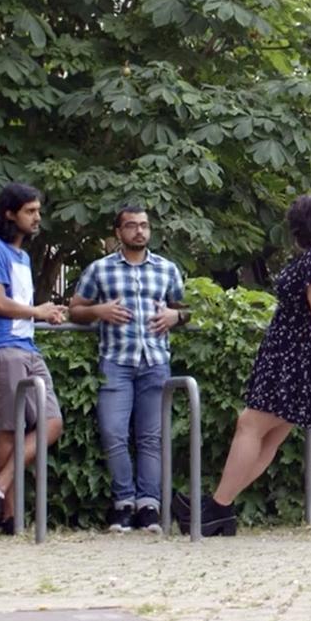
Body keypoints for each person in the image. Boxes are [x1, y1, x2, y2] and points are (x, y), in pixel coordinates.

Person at [173, 192, 311, 536]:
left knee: (250, 425)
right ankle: (219, 508)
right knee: (268, 435)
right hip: (294, 355)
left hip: (296, 357)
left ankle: (217, 508)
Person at [68, 205, 188, 533]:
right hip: (116, 361)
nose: (139, 231)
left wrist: (177, 317)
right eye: (132, 226)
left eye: (144, 225)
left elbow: (184, 310)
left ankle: (149, 505)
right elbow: (74, 310)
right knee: (113, 433)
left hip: (155, 362)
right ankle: (123, 503)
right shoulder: (100, 270)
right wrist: (99, 310)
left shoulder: (167, 269)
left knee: (151, 437)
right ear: (118, 232)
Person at [0, 182, 67, 534]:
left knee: (51, 423)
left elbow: (22, 307)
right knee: (9, 430)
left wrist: (45, 313)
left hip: (26, 348)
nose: (37, 218)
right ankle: (7, 517)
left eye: (38, 211)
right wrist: (37, 312)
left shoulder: (22, 257)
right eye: (30, 211)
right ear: (10, 214)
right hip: (0, 348)